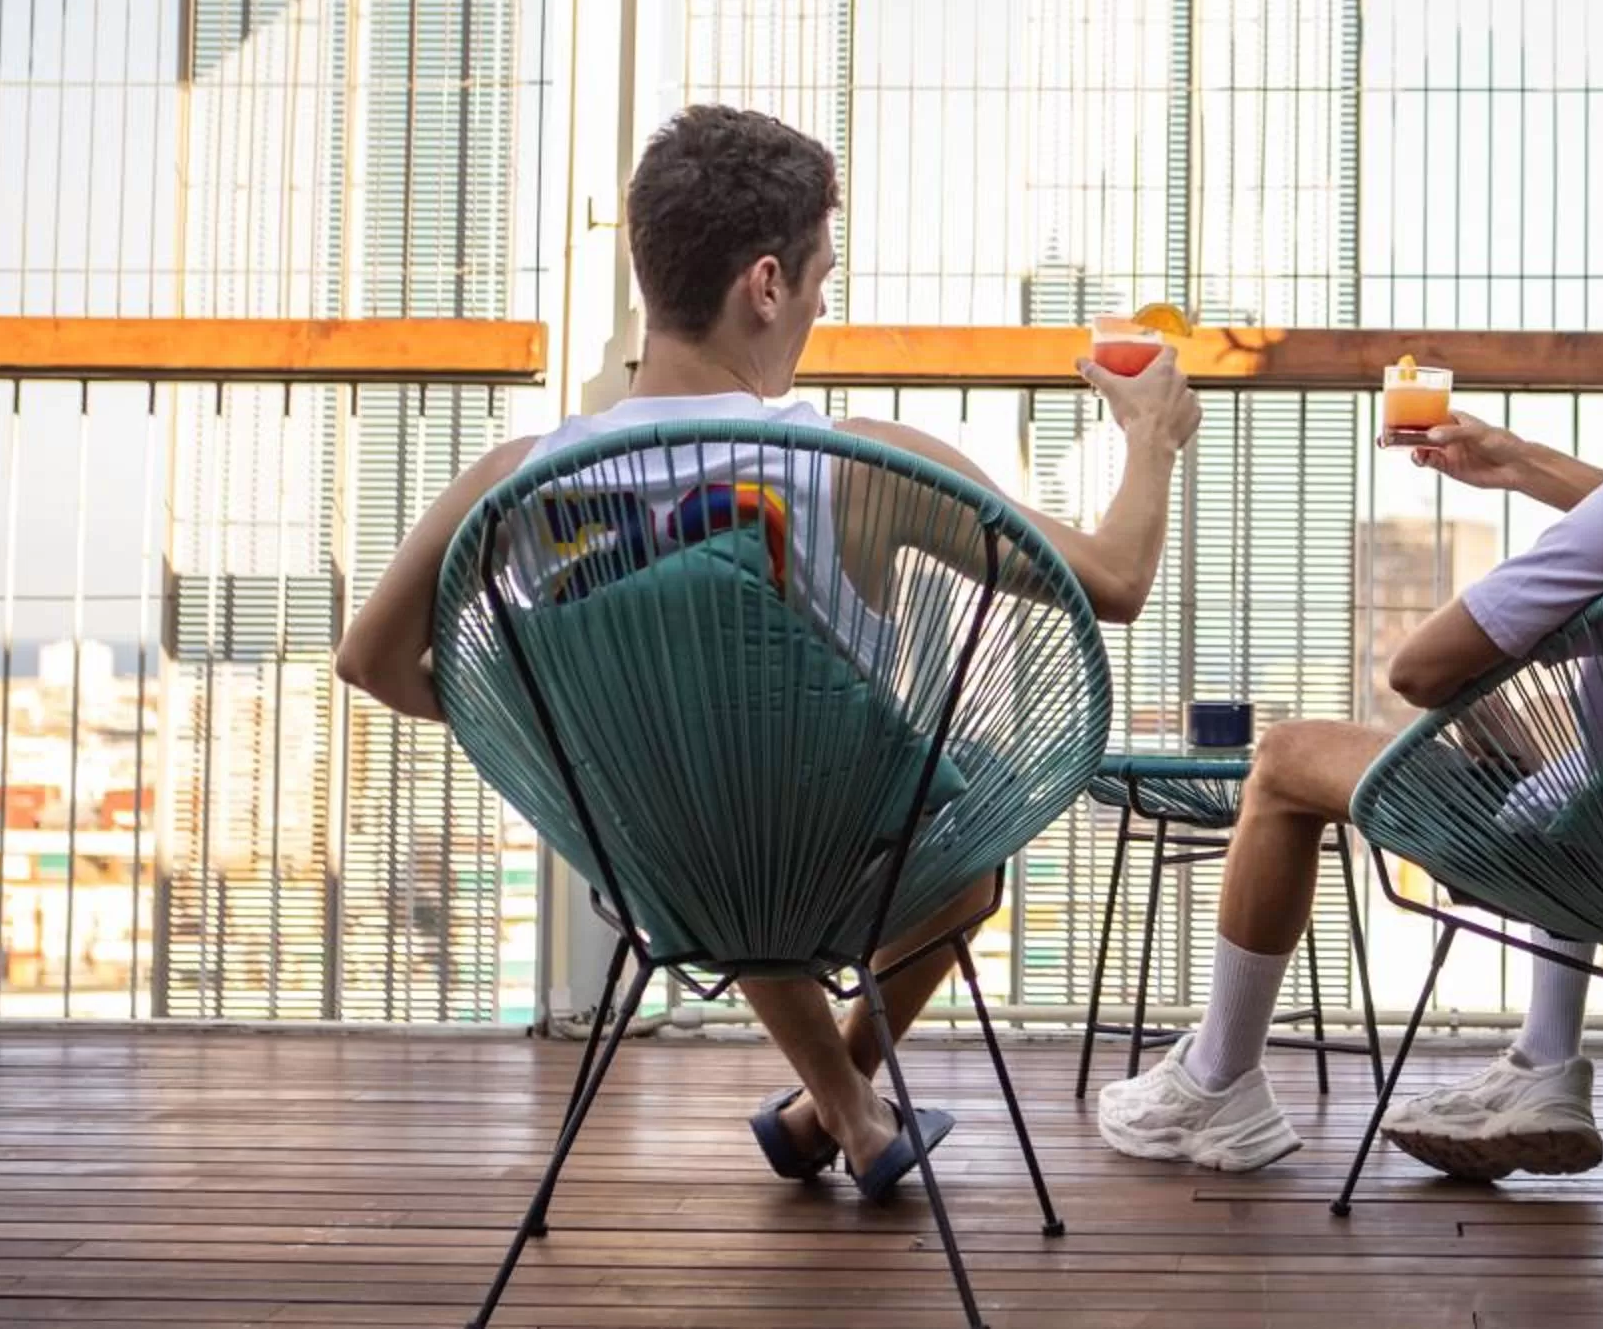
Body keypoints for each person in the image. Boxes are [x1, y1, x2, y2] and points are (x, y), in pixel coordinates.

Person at [336, 104, 1201, 1199]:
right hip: (847, 872)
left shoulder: (514, 481)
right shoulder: (857, 464)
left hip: (655, 868)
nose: (823, 300)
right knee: (958, 845)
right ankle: (847, 1101)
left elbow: (369, 660)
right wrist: (1148, 440)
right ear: (764, 284)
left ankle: (835, 1111)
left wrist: (553, 736)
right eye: (820, 275)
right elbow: (1115, 582)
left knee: (716, 800)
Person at [1096, 176, 1603, 1180]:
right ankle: (1541, 1059)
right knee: (1579, 733)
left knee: (1283, 760)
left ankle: (1217, 1086)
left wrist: (1582, 604)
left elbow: (1423, 667)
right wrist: (1526, 466)